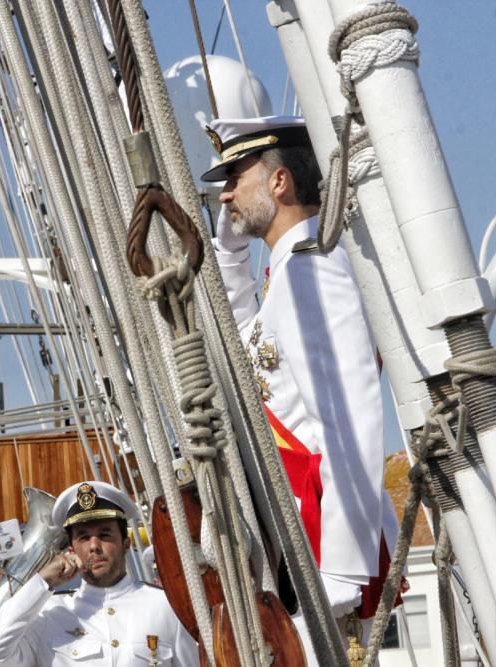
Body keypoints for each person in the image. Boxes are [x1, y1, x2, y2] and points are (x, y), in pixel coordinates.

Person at [202, 116, 400, 646]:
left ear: (279, 181)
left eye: (234, 179)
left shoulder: (316, 268)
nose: (225, 197)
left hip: (320, 543)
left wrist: (340, 569)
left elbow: (349, 414)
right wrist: (229, 254)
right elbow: (245, 342)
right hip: (291, 536)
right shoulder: (290, 270)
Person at [0, 481, 197, 665]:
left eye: (104, 534)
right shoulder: (50, 613)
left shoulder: (166, 607)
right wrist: (42, 582)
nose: (94, 546)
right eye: (83, 537)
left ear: (126, 544)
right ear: (71, 550)